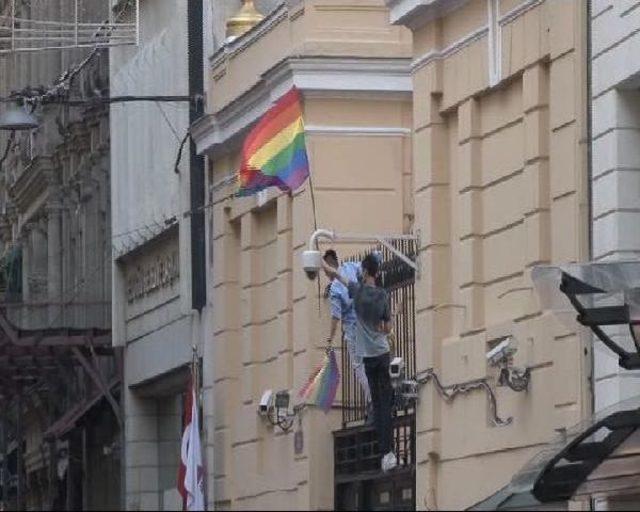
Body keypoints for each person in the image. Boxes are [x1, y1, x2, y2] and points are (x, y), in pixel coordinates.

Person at [322, 252, 397, 473]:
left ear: (364, 272)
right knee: (385, 404)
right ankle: (388, 453)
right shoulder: (383, 295)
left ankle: (385, 450)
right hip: (382, 353)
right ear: (376, 272)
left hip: (368, 358)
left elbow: (337, 276)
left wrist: (319, 263)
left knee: (377, 402)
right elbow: (386, 328)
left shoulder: (358, 292)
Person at [322, 250, 373, 422]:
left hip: (353, 329)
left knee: (359, 366)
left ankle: (373, 400)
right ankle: (375, 398)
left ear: (329, 265)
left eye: (324, 270)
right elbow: (367, 270)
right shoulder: (352, 266)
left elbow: (336, 317)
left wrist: (329, 340)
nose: (325, 274)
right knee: (372, 361)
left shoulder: (335, 289)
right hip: (367, 322)